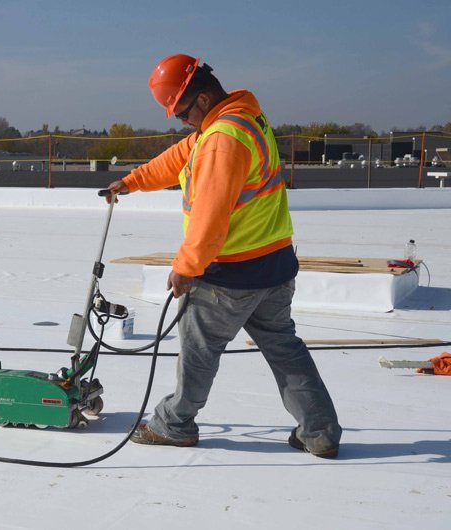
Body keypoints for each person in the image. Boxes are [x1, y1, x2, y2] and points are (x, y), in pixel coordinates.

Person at [106, 54, 341, 458]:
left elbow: (210, 218)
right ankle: (320, 431)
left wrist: (186, 268)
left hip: (230, 275)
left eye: (181, 112)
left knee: (198, 352)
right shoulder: (243, 118)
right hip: (274, 265)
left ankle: (174, 424)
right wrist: (132, 181)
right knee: (285, 350)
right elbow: (181, 156)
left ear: (201, 98)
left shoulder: (221, 140)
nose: (181, 121)